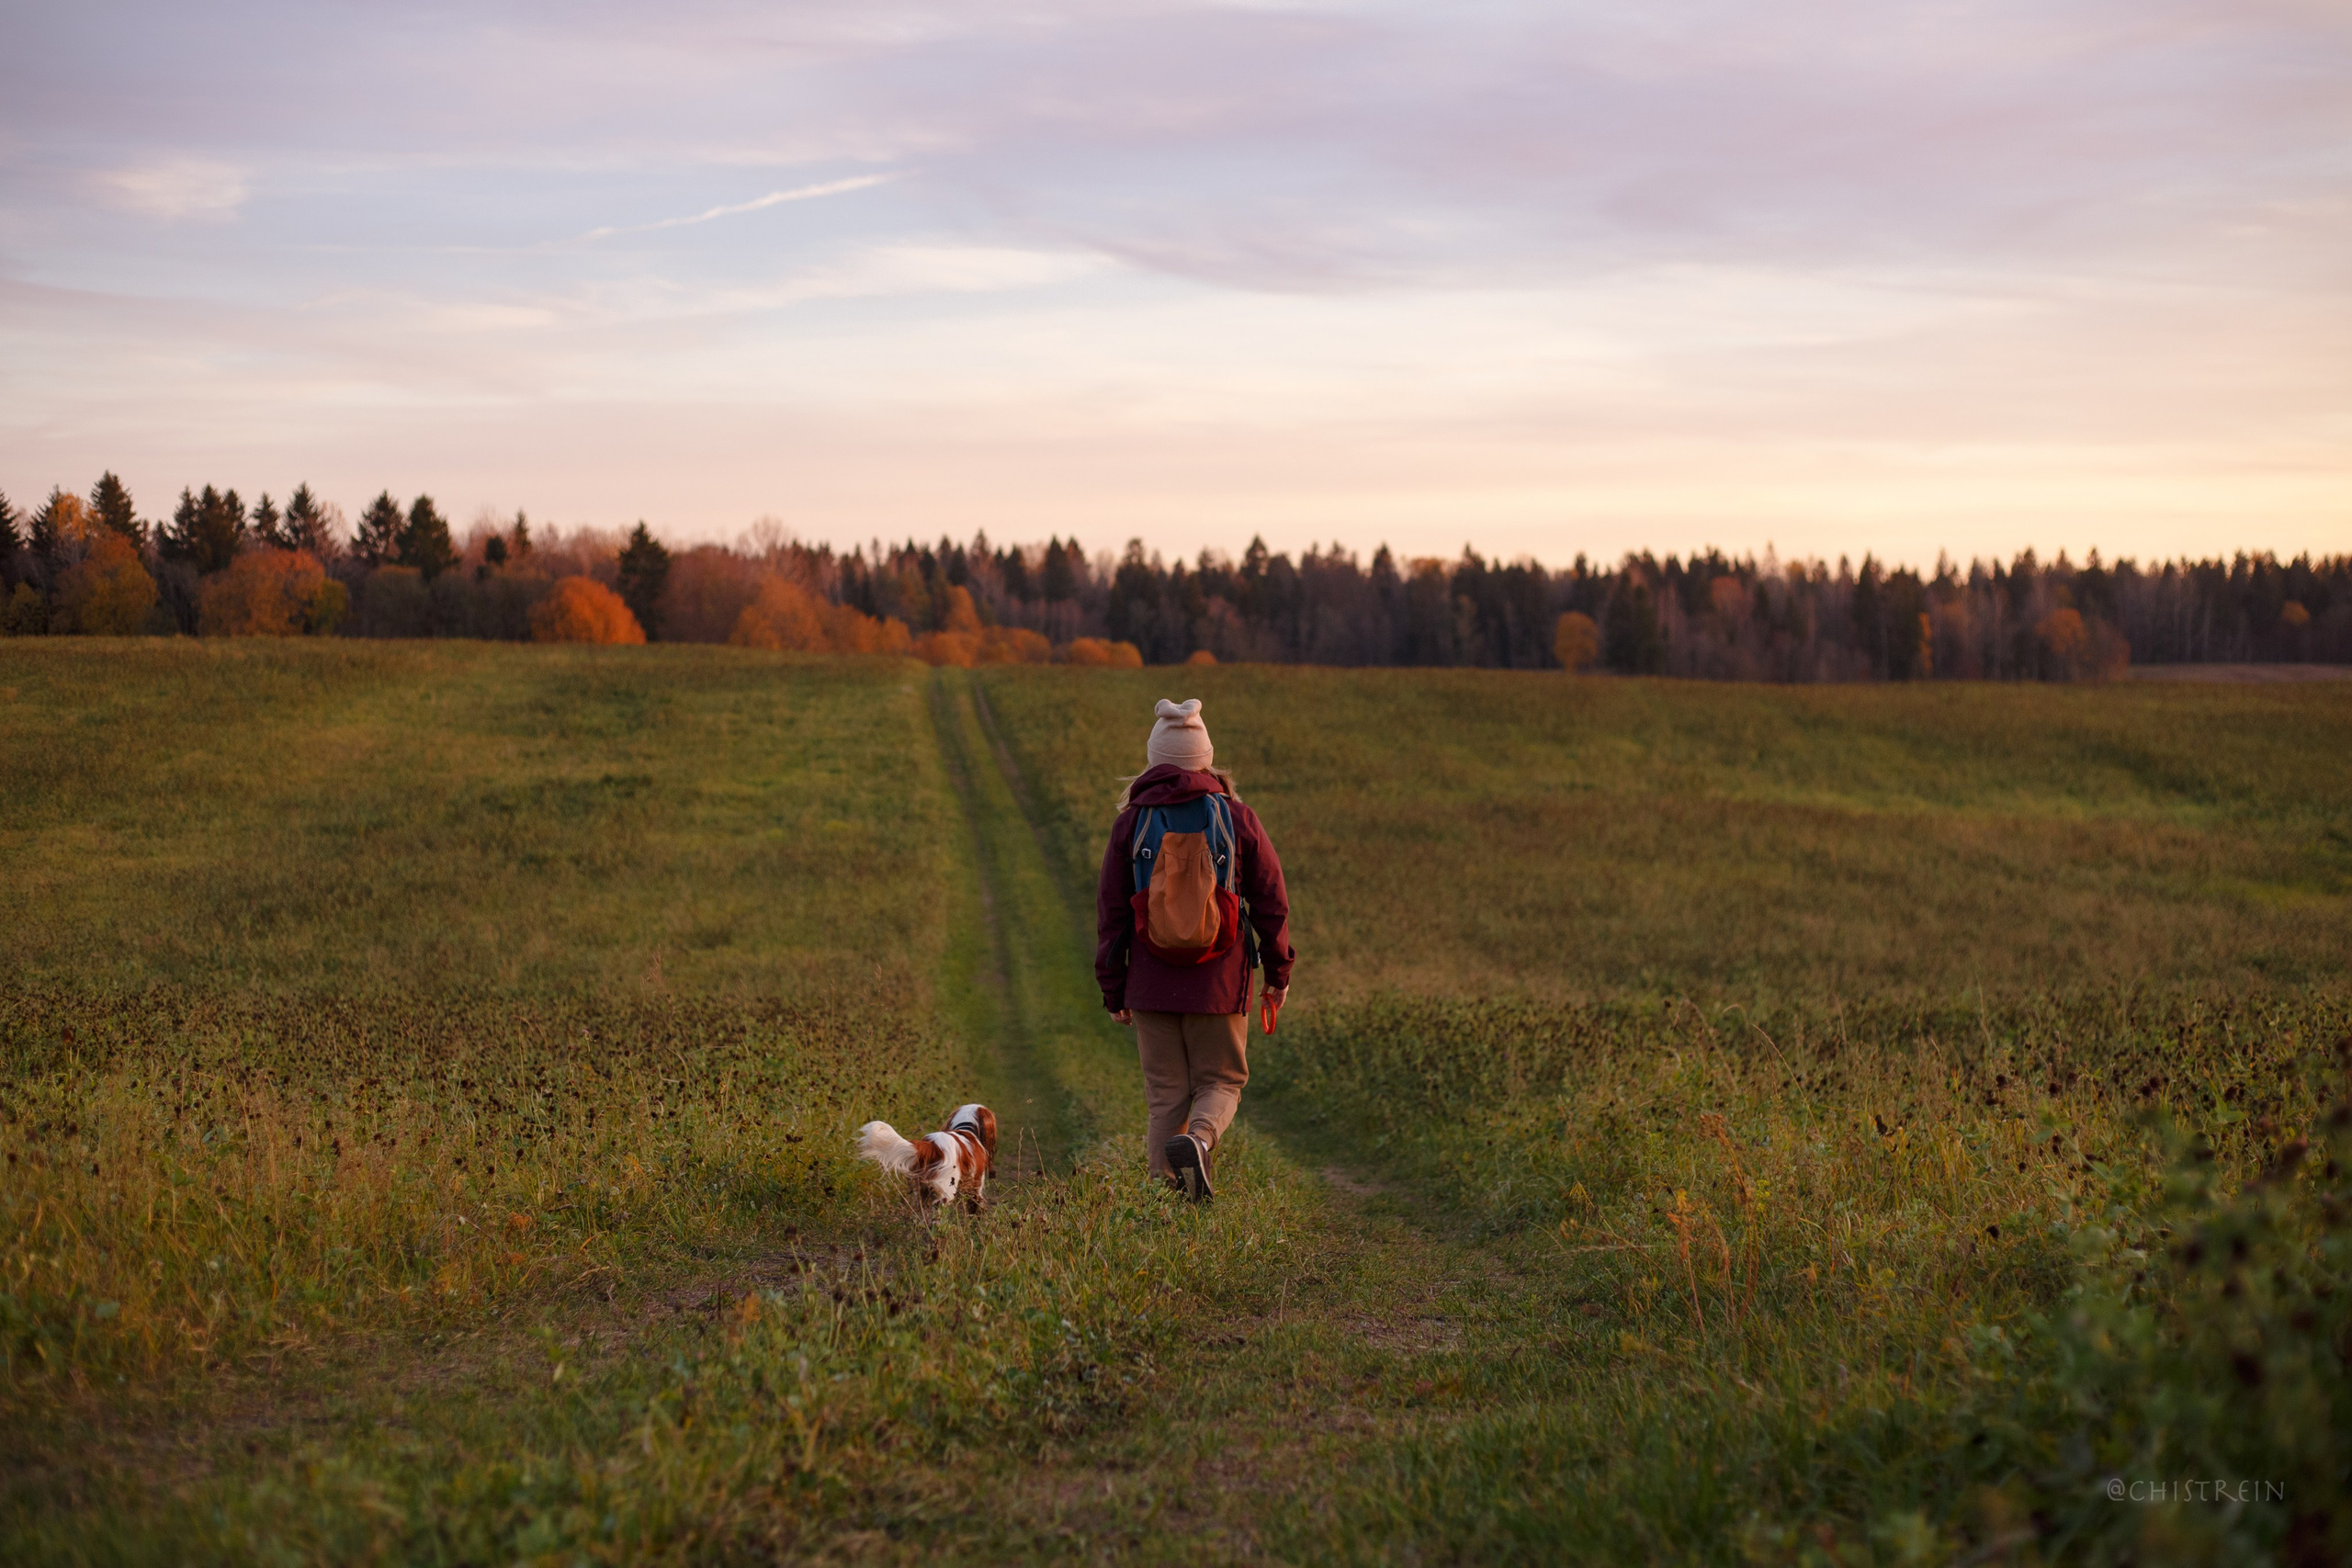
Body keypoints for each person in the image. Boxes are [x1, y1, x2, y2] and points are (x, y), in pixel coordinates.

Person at [1095, 697, 1295, 1202]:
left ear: (1155, 760)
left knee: (1165, 1096)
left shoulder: (1131, 823)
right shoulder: (1237, 818)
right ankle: (1201, 1140)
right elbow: (1271, 899)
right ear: (1205, 757)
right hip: (1219, 983)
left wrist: (1113, 987)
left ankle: (1162, 1207)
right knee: (1222, 1082)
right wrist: (1278, 972)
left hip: (1150, 983)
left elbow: (1112, 915)